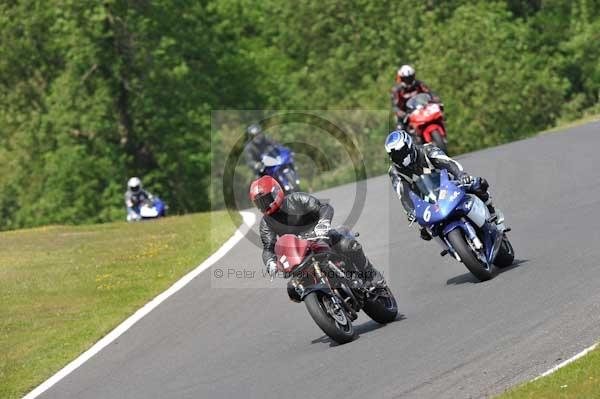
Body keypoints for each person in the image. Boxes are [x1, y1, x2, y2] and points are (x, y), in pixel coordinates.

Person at [249, 175, 384, 289]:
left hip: (320, 235)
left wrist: (323, 223)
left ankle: (370, 274)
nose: (264, 205)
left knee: (349, 245)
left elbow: (323, 208)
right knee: (293, 288)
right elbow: (268, 248)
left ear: (275, 192)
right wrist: (270, 262)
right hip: (298, 253)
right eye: (259, 203)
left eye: (265, 200)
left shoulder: (296, 199)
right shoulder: (266, 222)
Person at [384, 130, 503, 240]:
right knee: (425, 233)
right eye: (395, 155)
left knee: (477, 183)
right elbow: (402, 193)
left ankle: (493, 213)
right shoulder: (394, 171)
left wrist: (461, 175)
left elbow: (448, 163)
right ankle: (452, 246)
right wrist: (410, 210)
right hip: (426, 201)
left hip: (448, 186)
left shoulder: (427, 150)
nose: (400, 157)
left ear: (409, 145)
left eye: (401, 152)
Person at [391, 65, 440, 129]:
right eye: (406, 79)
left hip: (421, 108)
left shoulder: (419, 84)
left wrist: (435, 100)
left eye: (410, 78)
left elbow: (429, 92)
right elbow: (394, 105)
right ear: (402, 79)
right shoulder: (397, 90)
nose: (408, 81)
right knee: (400, 129)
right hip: (405, 113)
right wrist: (401, 113)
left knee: (438, 116)